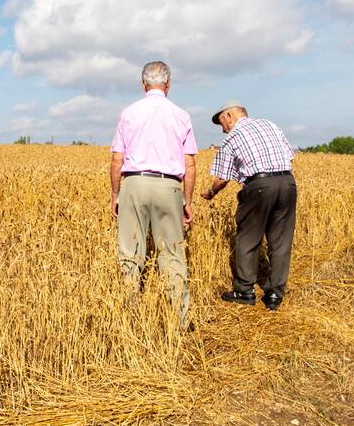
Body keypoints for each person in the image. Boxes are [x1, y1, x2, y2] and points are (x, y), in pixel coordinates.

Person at [110, 60, 197, 325]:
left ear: (143, 84)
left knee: (130, 253)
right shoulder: (181, 115)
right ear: (168, 84)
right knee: (172, 254)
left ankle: (129, 318)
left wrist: (115, 195)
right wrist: (187, 200)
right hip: (169, 186)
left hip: (133, 184)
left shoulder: (129, 113)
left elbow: (116, 159)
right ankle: (179, 321)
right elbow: (190, 163)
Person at [200, 100, 297, 311]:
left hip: (259, 185)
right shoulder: (269, 124)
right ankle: (274, 295)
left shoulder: (232, 137)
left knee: (248, 237)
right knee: (280, 240)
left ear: (229, 116)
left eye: (221, 123)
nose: (222, 129)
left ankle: (245, 290)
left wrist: (210, 192)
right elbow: (290, 155)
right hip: (288, 183)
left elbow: (222, 179)